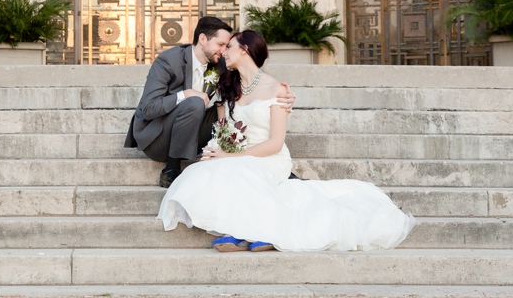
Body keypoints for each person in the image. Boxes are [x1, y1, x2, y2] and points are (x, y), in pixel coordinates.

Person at [158, 29, 416, 252]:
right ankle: (246, 229)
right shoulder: (228, 87)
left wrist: (230, 157)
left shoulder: (277, 90)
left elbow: (276, 143)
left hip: (269, 157)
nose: (224, 51)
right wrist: (217, 150)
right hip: (238, 155)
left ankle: (249, 232)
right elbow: (223, 129)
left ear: (245, 50)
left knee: (235, 169)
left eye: (230, 47)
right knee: (210, 170)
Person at [125, 17, 294, 188]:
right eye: (221, 44)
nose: (224, 51)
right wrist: (185, 94)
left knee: (229, 108)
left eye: (227, 46)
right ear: (203, 39)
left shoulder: (222, 63)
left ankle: (271, 165)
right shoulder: (168, 61)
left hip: (193, 130)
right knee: (195, 102)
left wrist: (280, 98)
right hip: (159, 136)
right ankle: (171, 169)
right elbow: (148, 109)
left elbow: (252, 79)